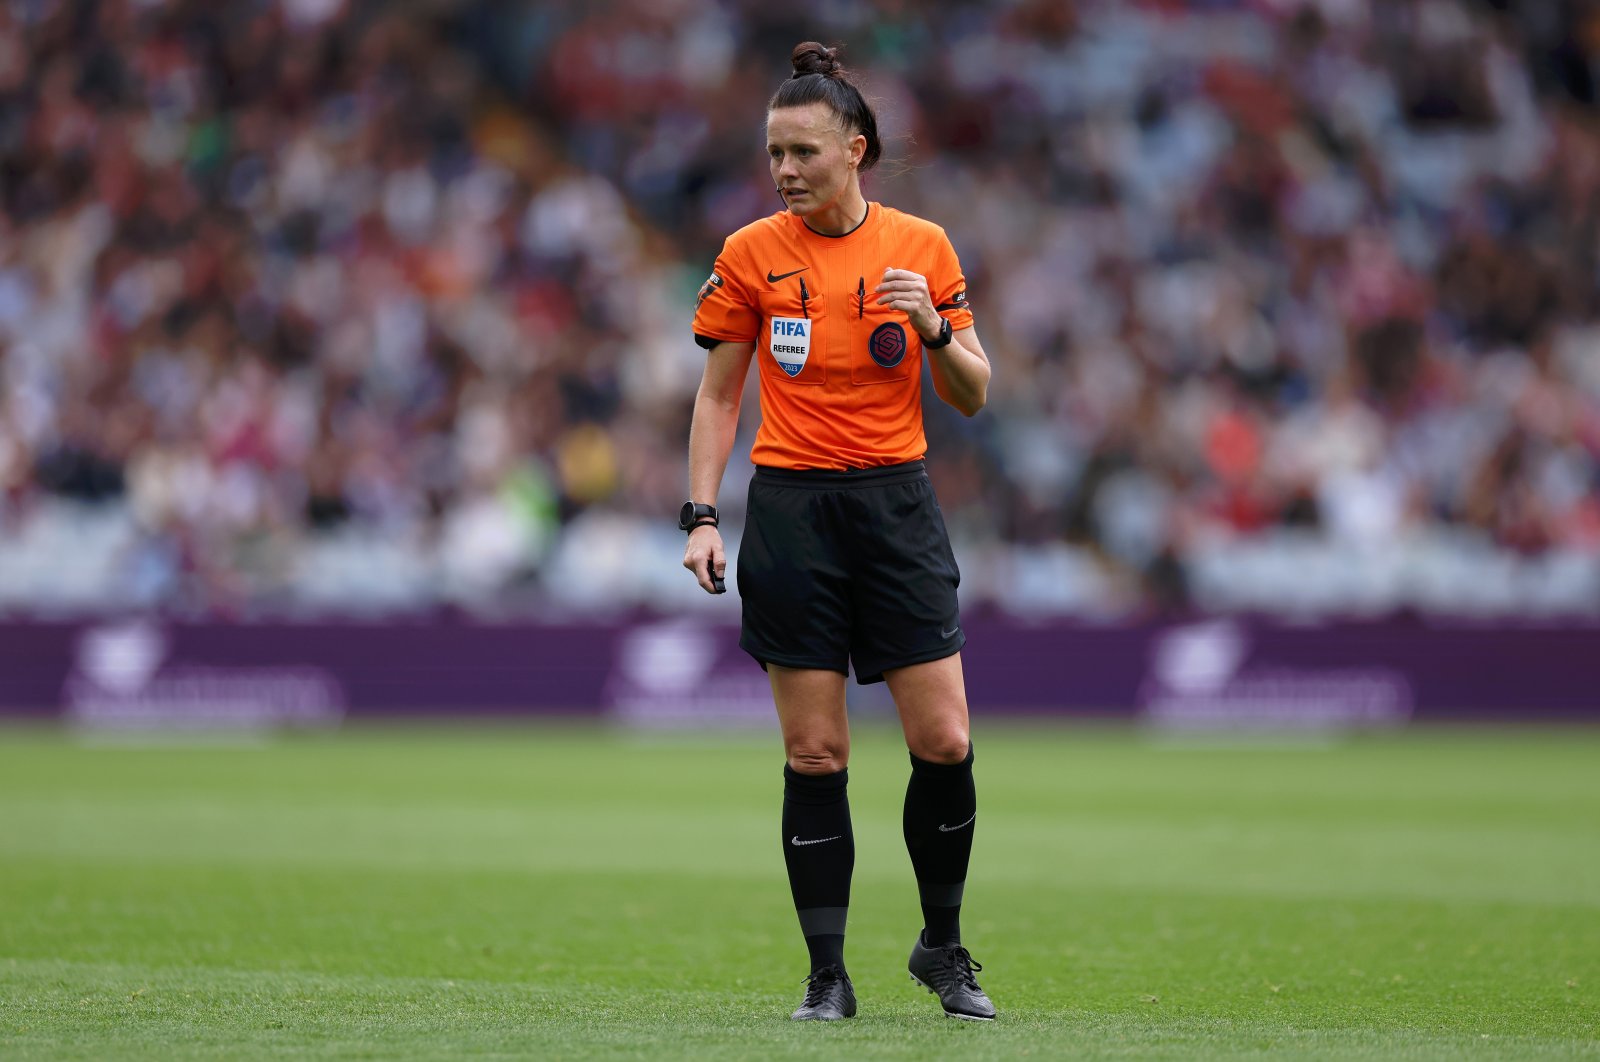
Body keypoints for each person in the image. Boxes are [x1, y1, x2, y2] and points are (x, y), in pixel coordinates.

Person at [679, 41, 995, 1022]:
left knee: (942, 738)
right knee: (815, 755)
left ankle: (941, 949)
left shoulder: (923, 247)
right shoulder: (750, 254)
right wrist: (699, 514)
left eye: (802, 153)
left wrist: (937, 332)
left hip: (895, 506)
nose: (783, 172)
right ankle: (826, 974)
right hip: (790, 511)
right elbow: (718, 394)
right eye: (774, 153)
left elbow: (975, 393)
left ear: (854, 149)